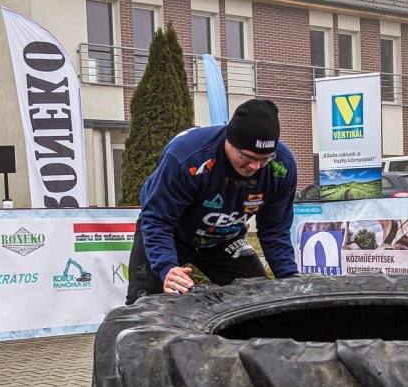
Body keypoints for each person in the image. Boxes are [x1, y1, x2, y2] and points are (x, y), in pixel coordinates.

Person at [126, 98, 298, 303]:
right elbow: (157, 220)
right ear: (229, 141)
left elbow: (275, 230)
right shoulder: (187, 156)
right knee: (144, 301)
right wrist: (166, 267)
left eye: (264, 159)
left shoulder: (282, 168)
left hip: (224, 238)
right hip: (170, 233)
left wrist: (289, 278)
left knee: (259, 297)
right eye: (247, 157)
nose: (254, 167)